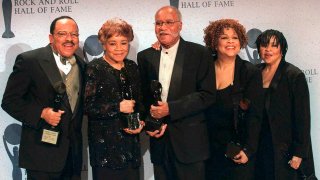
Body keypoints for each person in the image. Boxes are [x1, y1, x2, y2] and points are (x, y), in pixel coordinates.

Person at [1, 16, 85, 179]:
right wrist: (41, 113)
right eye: (62, 34)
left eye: (74, 34)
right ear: (51, 38)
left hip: (72, 157)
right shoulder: (30, 61)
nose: (69, 39)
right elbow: (10, 101)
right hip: (41, 156)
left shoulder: (82, 65)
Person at [137, 6, 215, 180]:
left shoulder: (199, 53)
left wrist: (171, 108)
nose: (163, 27)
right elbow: (143, 96)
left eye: (169, 22)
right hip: (160, 144)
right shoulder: (145, 56)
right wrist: (149, 124)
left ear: (180, 25)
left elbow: (207, 95)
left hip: (190, 145)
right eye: (158, 23)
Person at [84, 18, 145, 180]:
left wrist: (141, 123)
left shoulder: (132, 67)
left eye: (123, 43)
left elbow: (139, 103)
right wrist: (117, 107)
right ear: (104, 44)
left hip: (131, 147)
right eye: (113, 43)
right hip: (106, 149)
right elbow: (87, 107)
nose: (119, 49)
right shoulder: (95, 68)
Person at [203, 19, 263, 180]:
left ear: (241, 41)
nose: (230, 41)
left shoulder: (249, 72)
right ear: (214, 43)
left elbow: (255, 116)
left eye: (235, 37)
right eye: (224, 37)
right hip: (208, 150)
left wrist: (248, 149)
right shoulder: (203, 69)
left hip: (237, 150)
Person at [255, 29, 316, 180]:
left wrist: (299, 153)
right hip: (260, 145)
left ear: (282, 49)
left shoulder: (294, 75)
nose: (268, 50)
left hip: (286, 149)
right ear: (258, 49)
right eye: (264, 45)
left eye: (274, 46)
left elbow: (303, 118)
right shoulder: (255, 72)